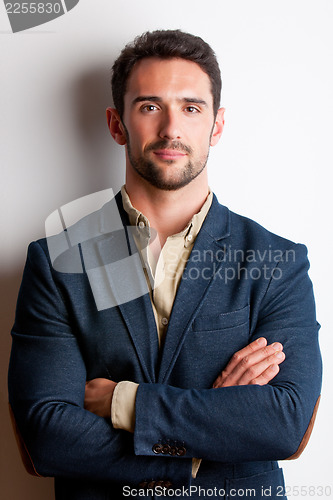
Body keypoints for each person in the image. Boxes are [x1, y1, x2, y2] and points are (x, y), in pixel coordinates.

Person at [8, 30, 322, 500]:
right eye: (150, 106)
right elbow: (45, 434)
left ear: (216, 126)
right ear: (117, 125)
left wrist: (123, 401)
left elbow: (285, 422)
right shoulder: (55, 263)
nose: (172, 128)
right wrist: (203, 443)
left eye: (192, 108)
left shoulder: (278, 261)